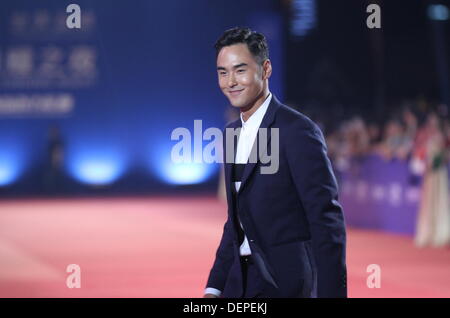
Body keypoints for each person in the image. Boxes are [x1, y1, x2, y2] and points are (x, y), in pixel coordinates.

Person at [204, 27, 347, 298]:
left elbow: (327, 222)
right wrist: (214, 286)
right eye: (223, 72)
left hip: (286, 284)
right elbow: (235, 221)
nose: (230, 81)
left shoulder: (297, 131)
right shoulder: (231, 134)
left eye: (240, 70)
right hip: (238, 283)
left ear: (265, 69)